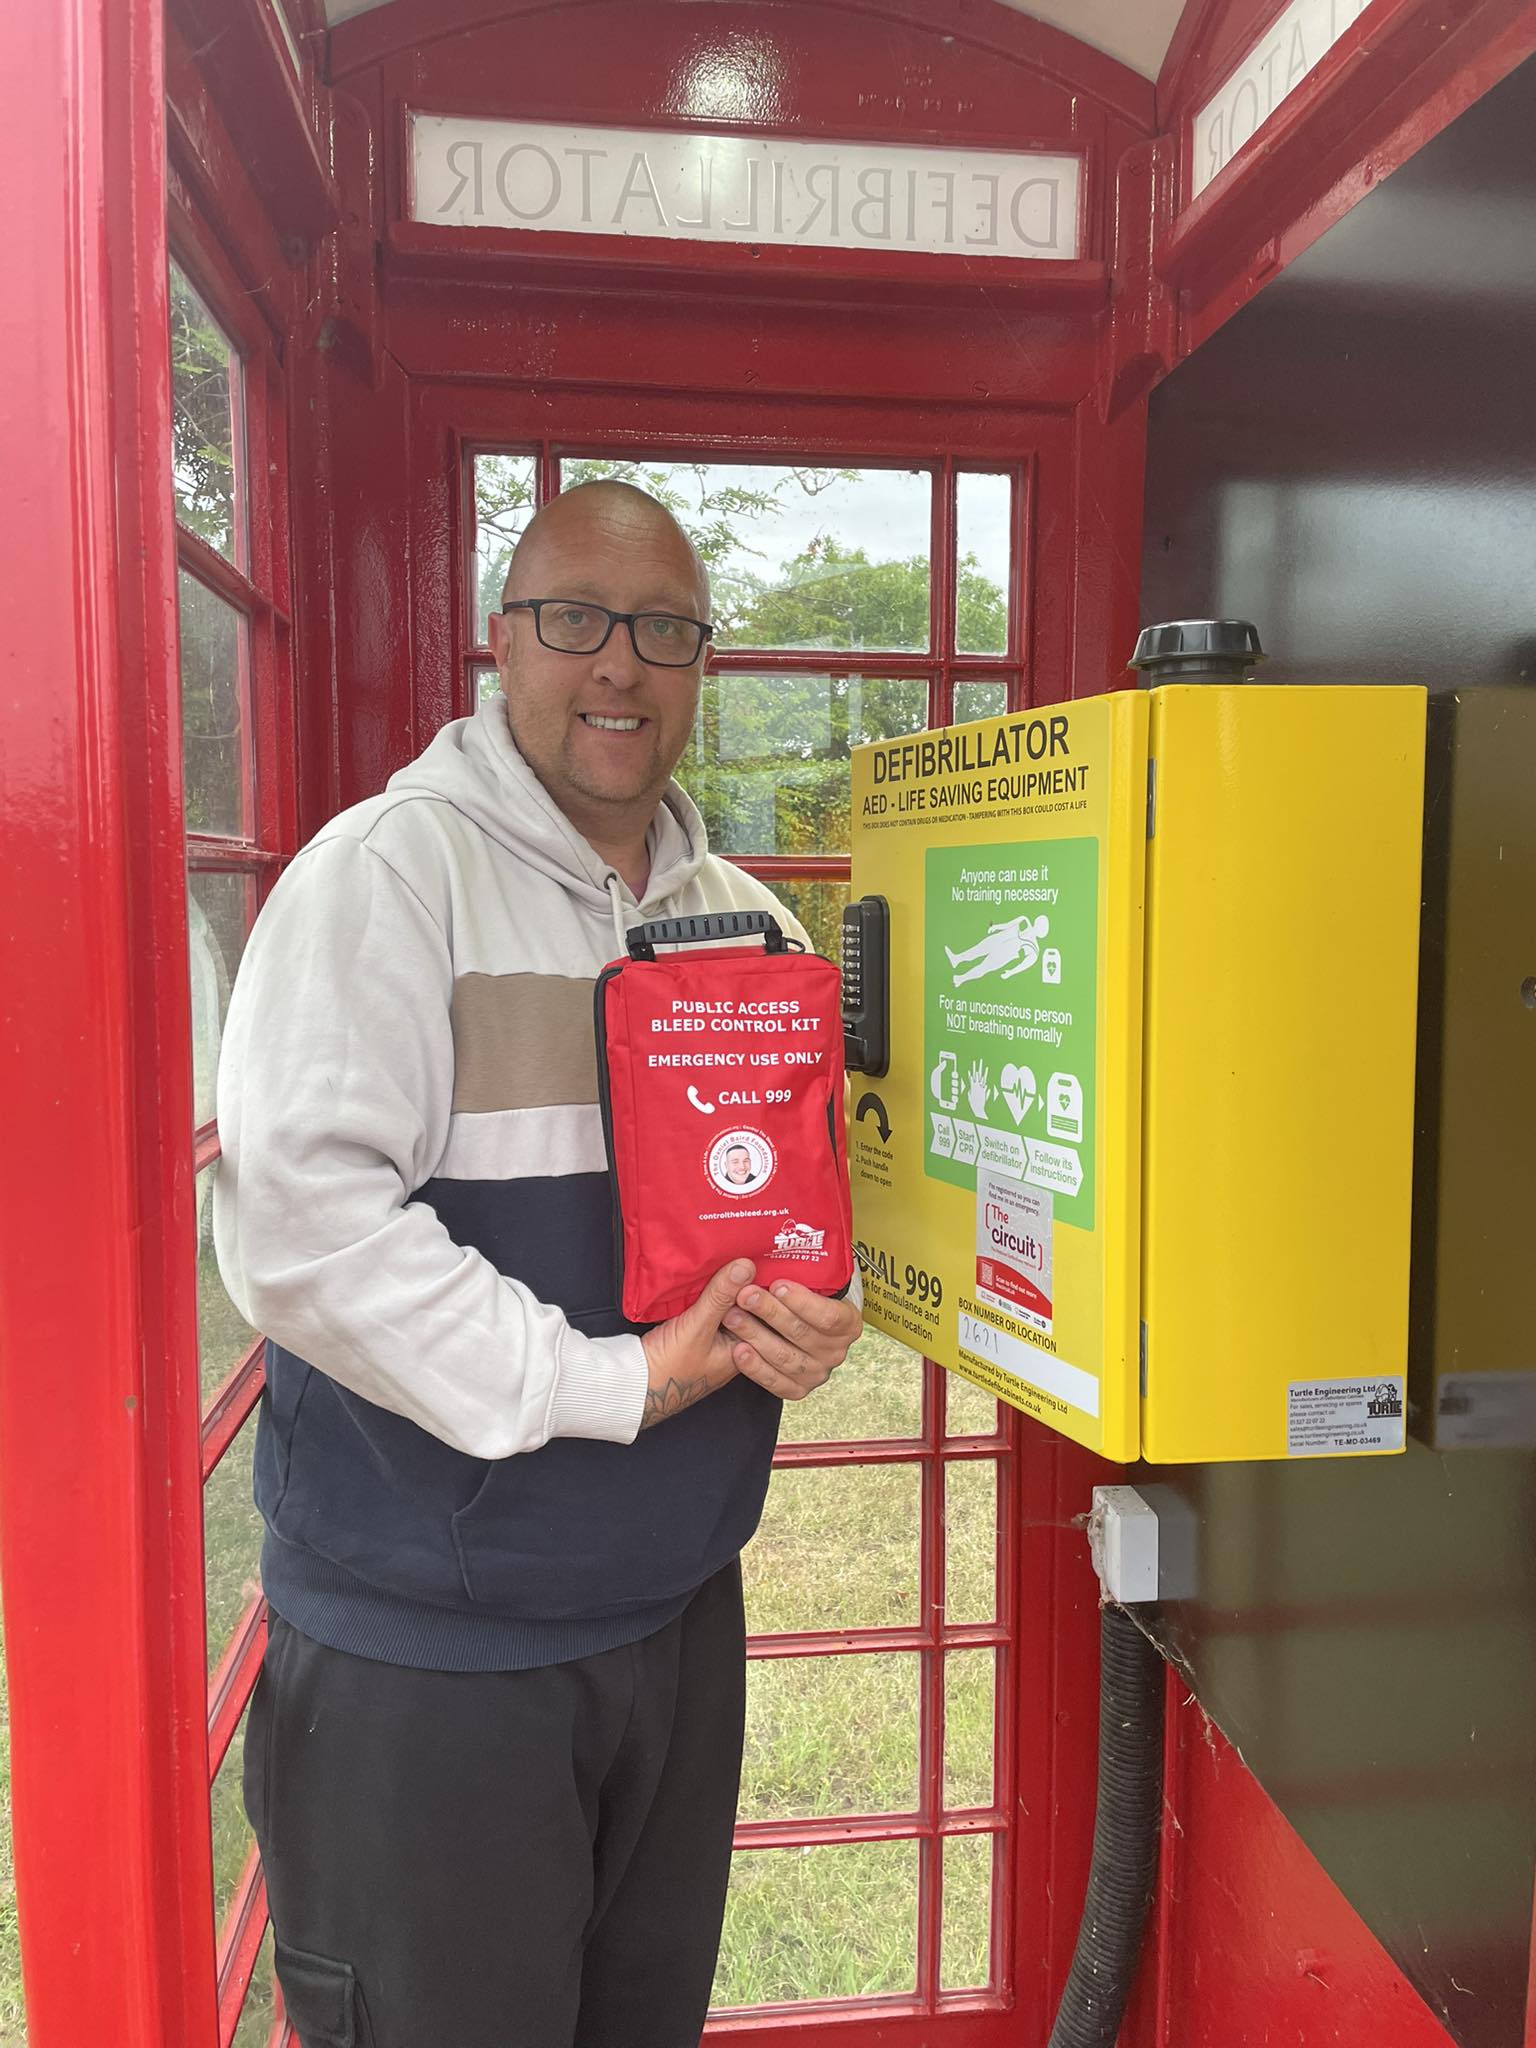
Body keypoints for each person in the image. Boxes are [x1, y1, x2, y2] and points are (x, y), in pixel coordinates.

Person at [214, 480, 863, 2048]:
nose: (618, 668)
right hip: (433, 1669)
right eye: (574, 620)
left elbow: (792, 1223)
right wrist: (615, 1382)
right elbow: (304, 1232)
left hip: (674, 1627)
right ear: (501, 644)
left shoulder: (752, 931)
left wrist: (817, 1317)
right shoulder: (387, 879)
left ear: (702, 663)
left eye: (663, 629)